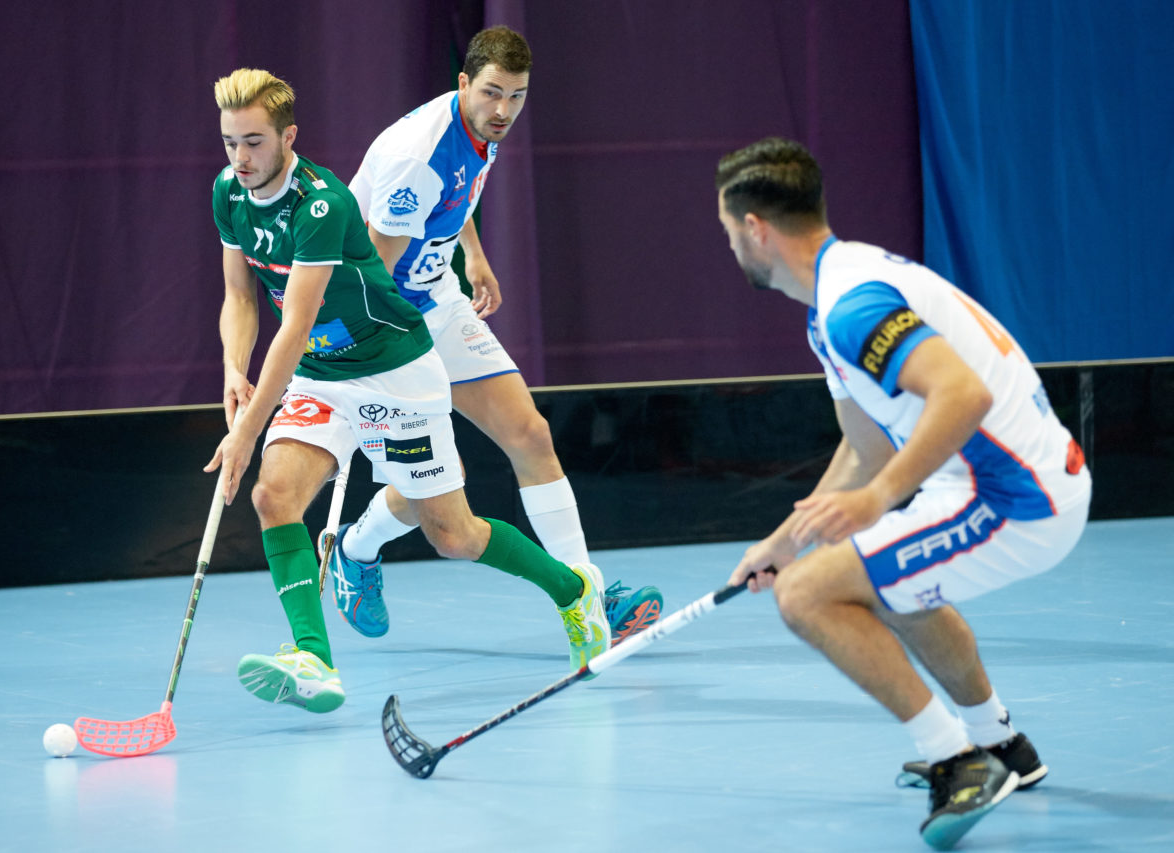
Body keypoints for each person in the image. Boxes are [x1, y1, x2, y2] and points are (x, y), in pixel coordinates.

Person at [714, 137, 1091, 849]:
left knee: (810, 594)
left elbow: (962, 393)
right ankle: (1001, 744)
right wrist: (784, 540)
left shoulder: (851, 306)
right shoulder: (833, 297)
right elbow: (866, 445)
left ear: (756, 227)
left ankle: (960, 761)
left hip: (1016, 497)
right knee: (889, 573)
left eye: (729, 230)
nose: (730, 245)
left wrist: (879, 497)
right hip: (997, 482)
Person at [204, 68, 611, 715]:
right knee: (273, 494)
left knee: (452, 533)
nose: (240, 158)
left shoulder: (321, 205)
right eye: (230, 142)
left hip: (395, 365)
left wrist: (248, 428)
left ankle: (571, 591)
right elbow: (238, 296)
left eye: (253, 142)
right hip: (320, 370)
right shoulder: (229, 193)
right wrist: (233, 367)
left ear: (289, 137)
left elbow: (298, 320)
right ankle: (312, 658)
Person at [336, 25, 662, 645]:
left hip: (435, 297)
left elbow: (451, 203)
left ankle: (587, 596)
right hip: (385, 323)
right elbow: (375, 273)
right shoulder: (417, 155)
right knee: (434, 483)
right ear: (464, 84)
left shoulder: (483, 128)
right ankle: (355, 551)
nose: (504, 110)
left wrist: (473, 253)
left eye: (517, 96)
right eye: (492, 94)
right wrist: (398, 359)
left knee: (531, 433)